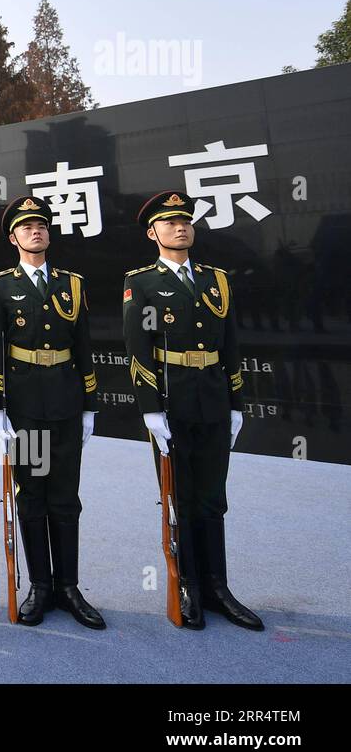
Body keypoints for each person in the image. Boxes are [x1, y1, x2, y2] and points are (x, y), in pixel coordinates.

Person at [122, 191, 262, 631]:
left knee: (212, 497)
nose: (180, 227)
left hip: (214, 397)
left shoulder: (216, 279)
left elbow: (232, 343)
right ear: (153, 233)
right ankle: (188, 586)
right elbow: (138, 348)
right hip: (172, 397)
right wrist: (150, 411)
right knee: (178, 498)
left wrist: (236, 402)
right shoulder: (141, 282)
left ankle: (218, 587)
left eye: (185, 221)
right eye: (169, 223)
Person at [0, 195, 105, 629]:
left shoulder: (72, 283)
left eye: (42, 225)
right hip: (27, 406)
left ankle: (69, 586)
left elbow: (85, 347)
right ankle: (39, 585)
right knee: (32, 495)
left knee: (65, 497)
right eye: (27, 226)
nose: (36, 230)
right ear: (13, 237)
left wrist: (89, 405)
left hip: (67, 403)